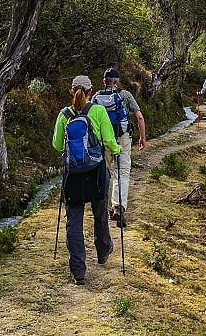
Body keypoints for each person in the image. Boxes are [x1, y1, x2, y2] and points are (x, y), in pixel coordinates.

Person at [52, 74, 121, 286]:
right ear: (91, 92)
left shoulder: (64, 115)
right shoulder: (98, 111)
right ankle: (103, 251)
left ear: (71, 91)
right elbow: (109, 141)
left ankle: (78, 272)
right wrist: (117, 150)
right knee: (100, 214)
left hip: (73, 175)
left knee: (74, 222)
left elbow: (57, 145)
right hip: (96, 172)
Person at [95, 67, 146, 229]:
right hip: (123, 138)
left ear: (104, 82)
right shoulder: (125, 95)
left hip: (105, 140)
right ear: (118, 81)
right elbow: (139, 116)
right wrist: (142, 137)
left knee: (107, 172)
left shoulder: (96, 97)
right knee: (122, 172)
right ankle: (119, 207)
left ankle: (106, 208)